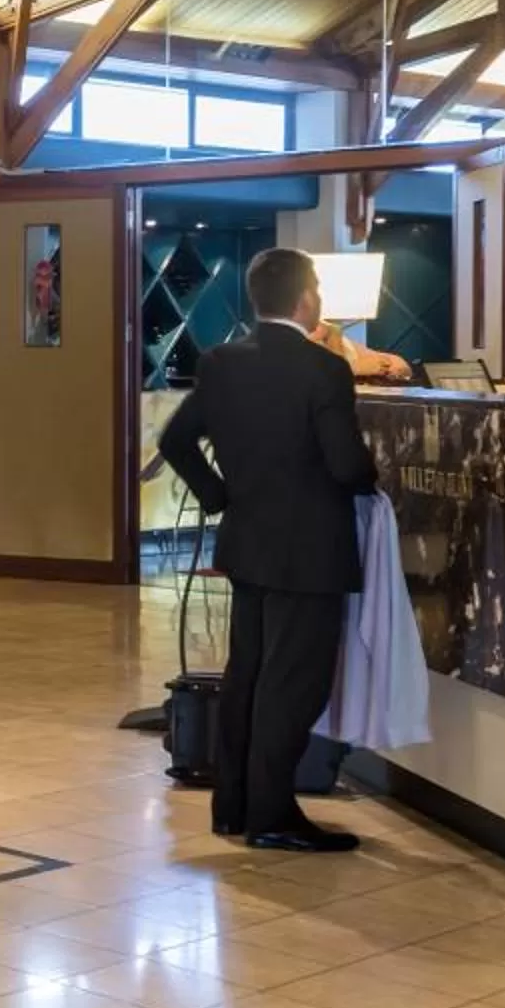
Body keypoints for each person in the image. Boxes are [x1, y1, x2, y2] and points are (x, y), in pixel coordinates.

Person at [156, 247, 379, 853]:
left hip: (249, 541)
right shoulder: (322, 370)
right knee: (294, 683)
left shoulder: (222, 361)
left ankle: (233, 807)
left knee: (248, 675)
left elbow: (174, 438)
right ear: (307, 299)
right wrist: (369, 472)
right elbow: (346, 465)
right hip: (309, 548)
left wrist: (219, 495)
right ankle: (274, 815)